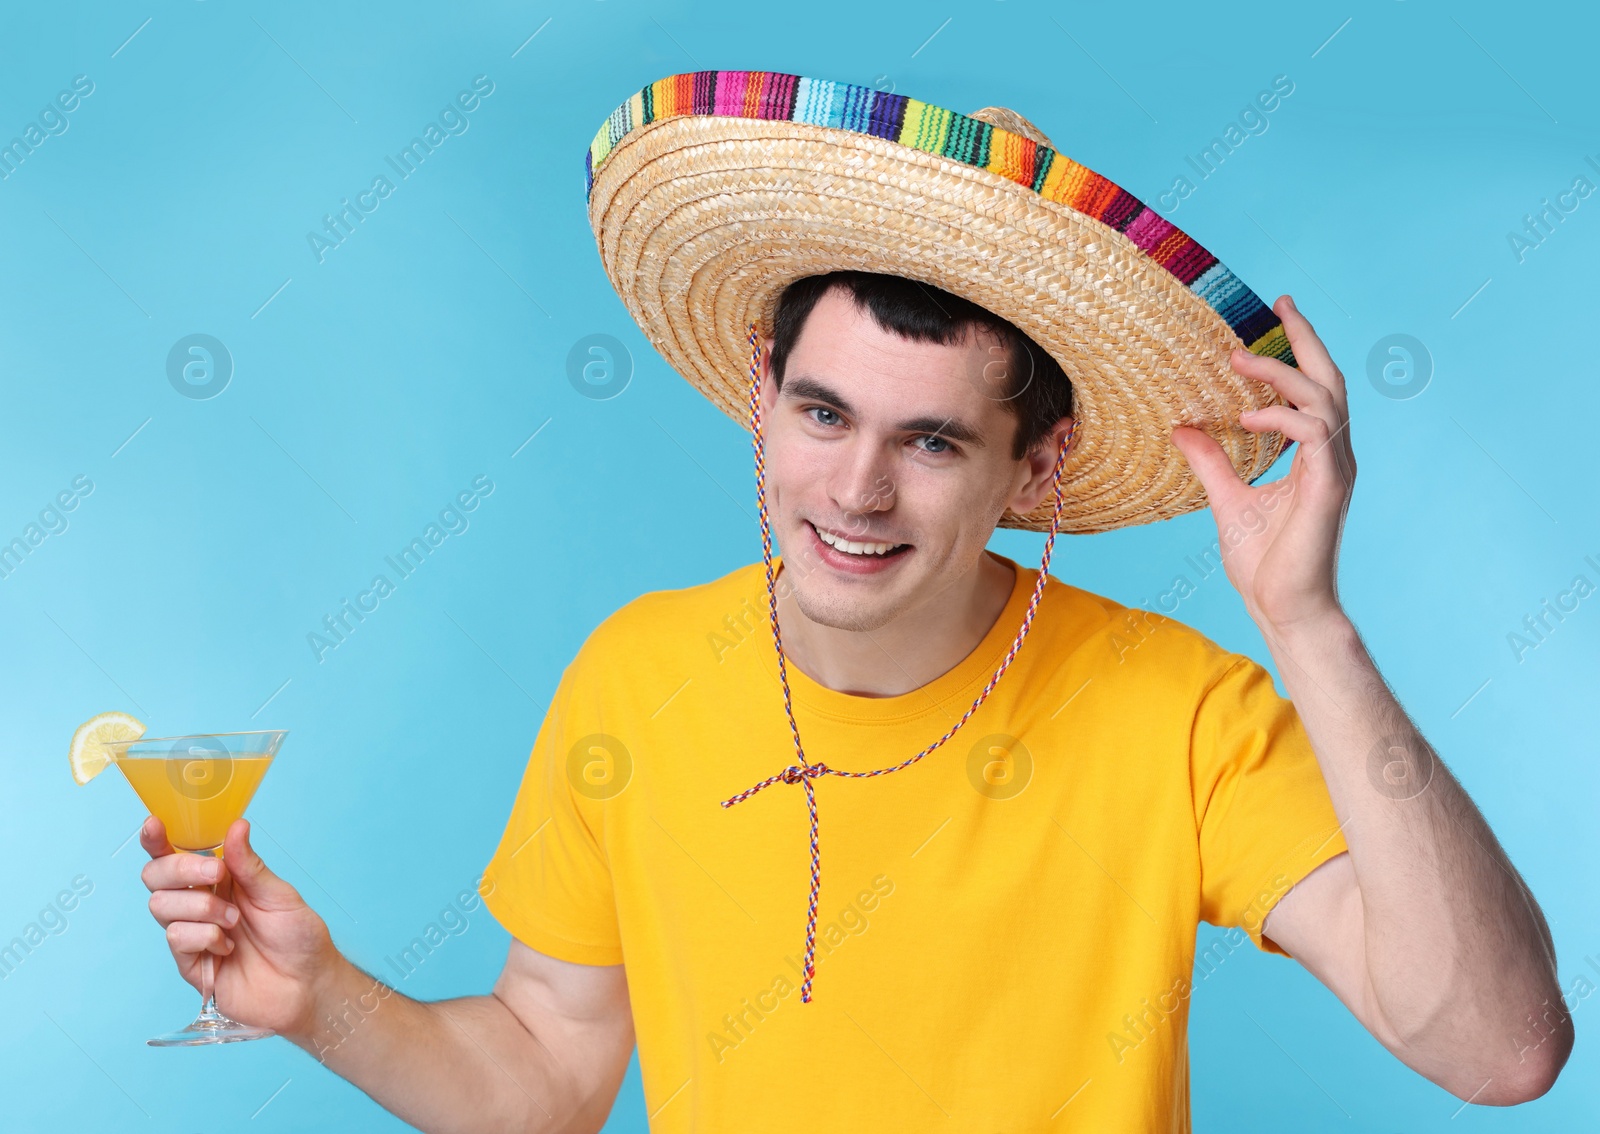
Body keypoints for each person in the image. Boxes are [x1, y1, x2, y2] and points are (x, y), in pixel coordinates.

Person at [139, 71, 1571, 1132]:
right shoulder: (635, 676)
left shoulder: (1179, 710)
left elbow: (1499, 1048)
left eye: (934, 440)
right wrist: (315, 998)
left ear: (1036, 463)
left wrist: (1310, 623)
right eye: (823, 412)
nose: (857, 489)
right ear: (761, 395)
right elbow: (549, 1071)